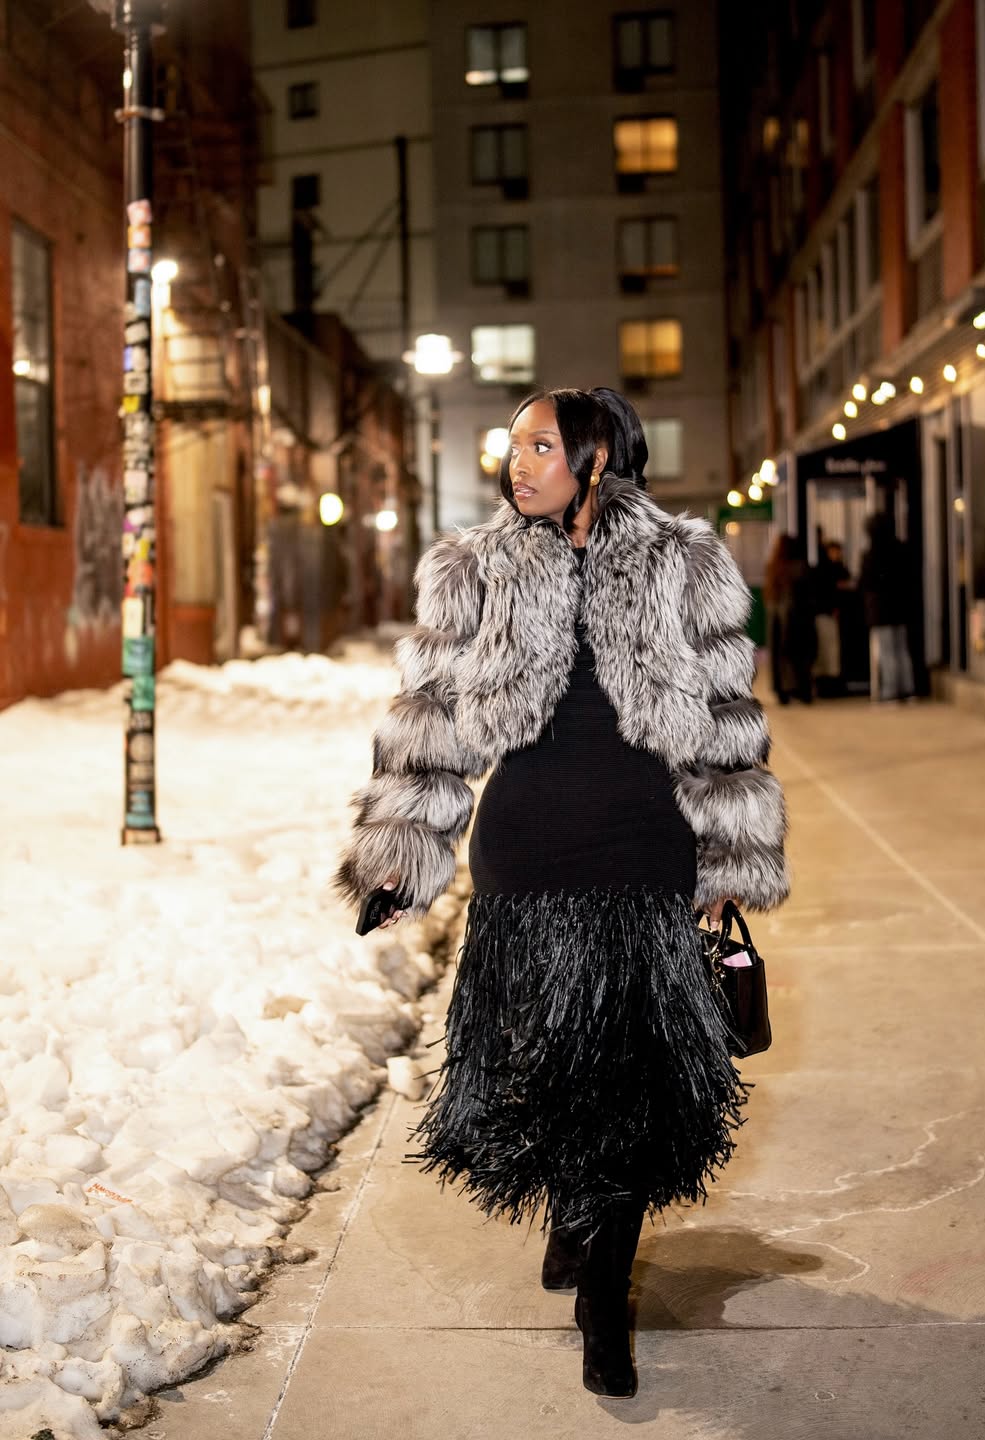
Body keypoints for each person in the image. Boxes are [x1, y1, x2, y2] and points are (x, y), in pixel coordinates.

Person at [336, 387, 790, 1399]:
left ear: (595, 457)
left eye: (540, 445)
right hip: (528, 860)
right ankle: (571, 1214)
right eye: (512, 446)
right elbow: (430, 722)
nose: (517, 462)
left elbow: (727, 719)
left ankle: (603, 1305)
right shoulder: (477, 568)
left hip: (646, 858)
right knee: (551, 1074)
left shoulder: (684, 563)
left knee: (629, 1092)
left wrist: (729, 866)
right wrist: (398, 860)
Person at [857, 511, 916, 703]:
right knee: (902, 649)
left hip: (880, 610)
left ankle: (890, 691)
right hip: (900, 607)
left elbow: (865, 582)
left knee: (886, 651)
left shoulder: (871, 554)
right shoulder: (901, 549)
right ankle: (908, 688)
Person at [764, 533, 816, 704]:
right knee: (799, 654)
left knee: (779, 655)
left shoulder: (772, 567)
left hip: (775, 618)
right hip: (797, 618)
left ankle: (782, 690)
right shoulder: (800, 567)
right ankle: (801, 689)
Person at [812, 539, 851, 697]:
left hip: (827, 613)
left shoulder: (832, 568)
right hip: (826, 613)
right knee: (829, 650)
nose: (838, 555)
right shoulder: (827, 569)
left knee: (828, 651)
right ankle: (828, 686)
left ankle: (827, 684)